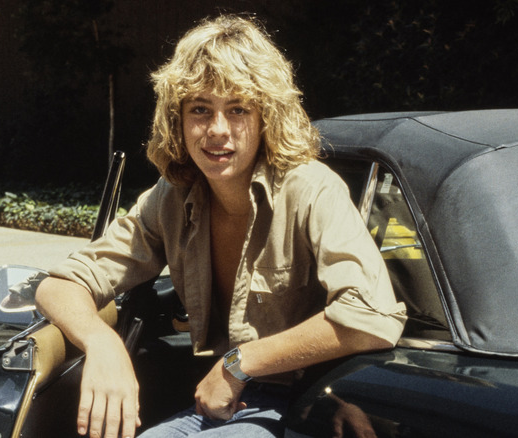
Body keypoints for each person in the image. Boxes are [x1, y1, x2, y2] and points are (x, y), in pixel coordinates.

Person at [35, 14, 407, 438]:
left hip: (306, 406)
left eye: (237, 110)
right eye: (200, 109)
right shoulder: (174, 195)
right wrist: (104, 345)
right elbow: (60, 285)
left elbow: (370, 317)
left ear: (265, 115)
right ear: (177, 118)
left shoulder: (310, 188)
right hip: (213, 404)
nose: (217, 131)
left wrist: (238, 363)